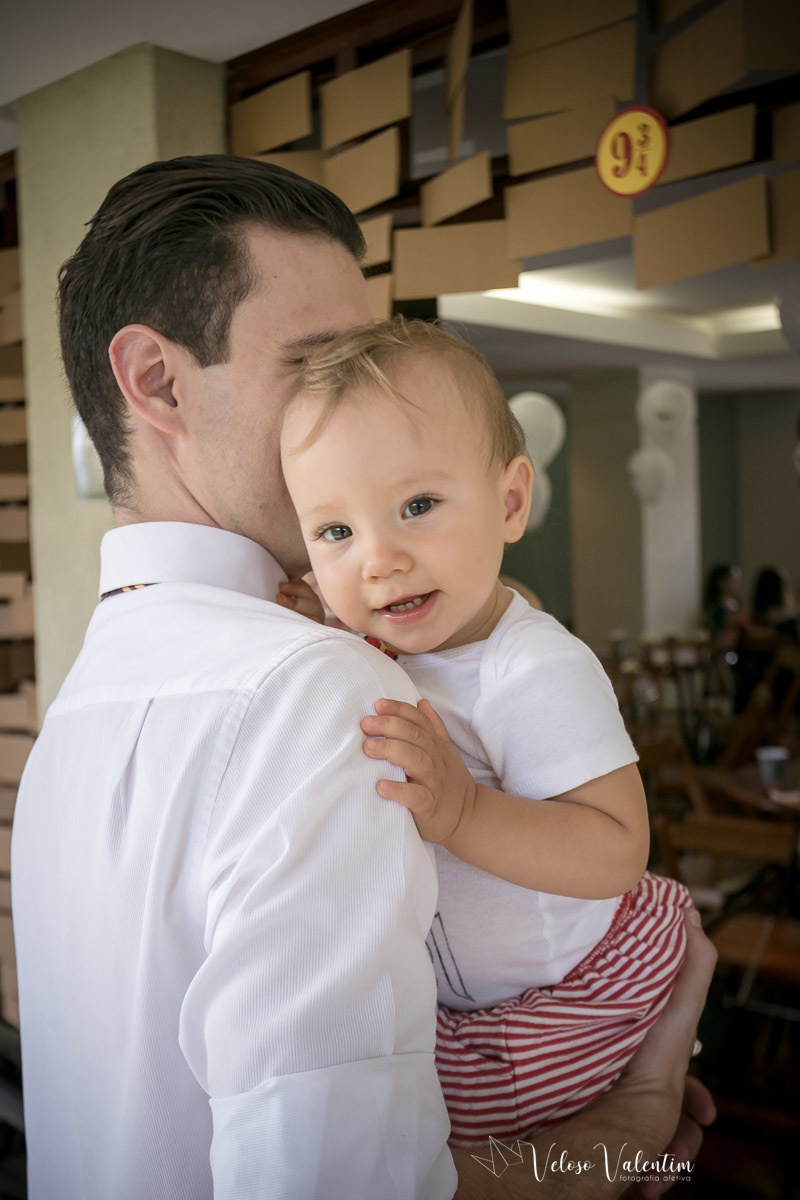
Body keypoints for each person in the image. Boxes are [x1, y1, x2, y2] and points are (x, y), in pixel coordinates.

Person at [10, 155, 714, 1200]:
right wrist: (631, 1122)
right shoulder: (313, 688)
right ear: (157, 382)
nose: (360, 406)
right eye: (320, 361)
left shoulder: (76, 712)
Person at [277, 317, 695, 1145]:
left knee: (437, 1151)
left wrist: (467, 811)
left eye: (418, 506)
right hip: (469, 997)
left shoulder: (532, 668)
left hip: (563, 995)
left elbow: (618, 849)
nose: (378, 560)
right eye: (336, 532)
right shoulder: (389, 637)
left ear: (510, 502)